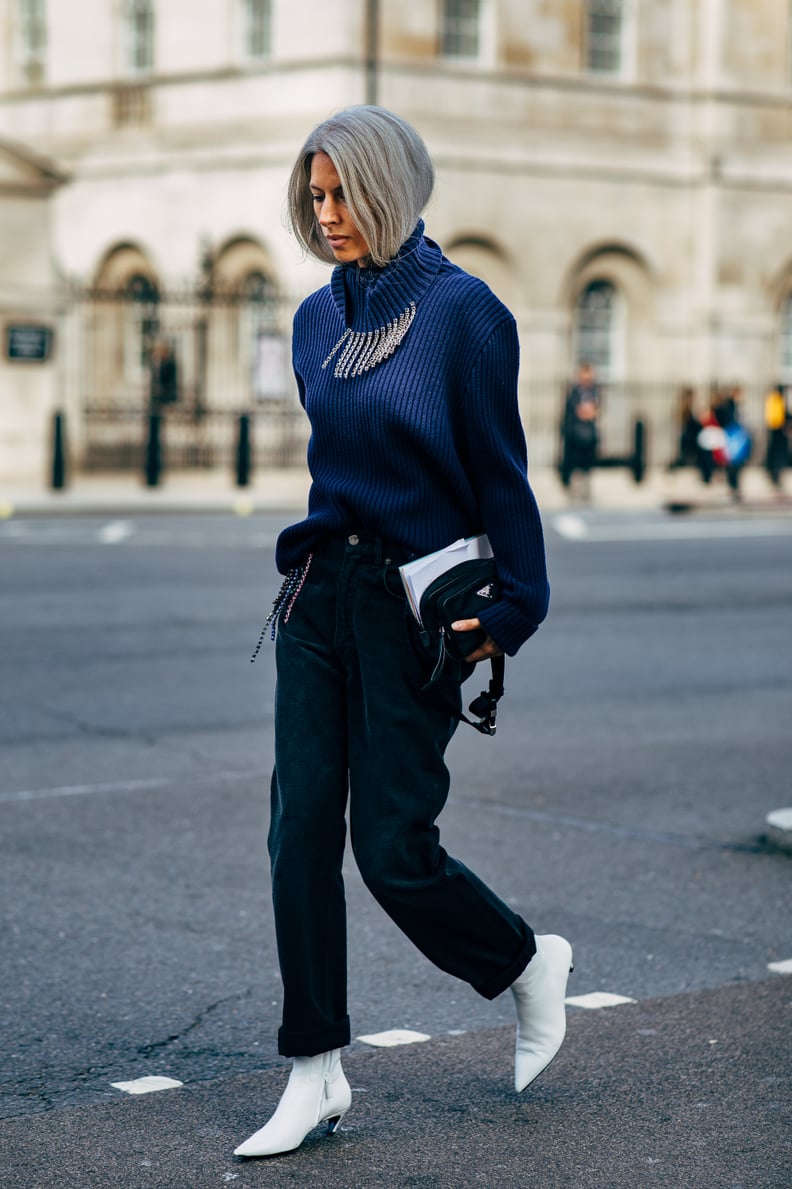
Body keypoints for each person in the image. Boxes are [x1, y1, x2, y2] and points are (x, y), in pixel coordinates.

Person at [234, 106, 573, 1160]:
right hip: (317, 598)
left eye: (344, 194)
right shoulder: (309, 321)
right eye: (316, 196)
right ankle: (315, 1070)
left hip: (414, 610)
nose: (328, 215)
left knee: (391, 850)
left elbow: (501, 480)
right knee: (297, 838)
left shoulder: (466, 315)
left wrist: (511, 612)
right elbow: (333, 468)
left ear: (394, 187)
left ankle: (524, 964)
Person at [560, 362, 600, 496]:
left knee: (588, 462)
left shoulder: (594, 391)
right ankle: (574, 487)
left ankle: (585, 488)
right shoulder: (575, 392)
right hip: (575, 433)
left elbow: (595, 411)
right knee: (574, 462)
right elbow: (580, 412)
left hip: (589, 434)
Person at [764, 382, 789, 489]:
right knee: (777, 455)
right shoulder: (777, 400)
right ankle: (775, 475)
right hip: (777, 431)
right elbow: (780, 417)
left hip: (774, 430)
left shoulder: (773, 399)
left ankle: (774, 475)